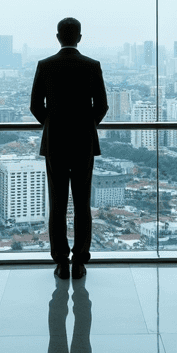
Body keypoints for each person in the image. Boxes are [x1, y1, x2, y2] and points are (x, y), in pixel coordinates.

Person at [30, 17, 108, 279]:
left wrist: (52, 124)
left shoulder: (45, 65)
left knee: (58, 203)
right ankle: (79, 262)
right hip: (83, 142)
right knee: (83, 203)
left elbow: (35, 106)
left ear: (58, 36)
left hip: (55, 143)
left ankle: (61, 262)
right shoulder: (92, 65)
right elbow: (102, 106)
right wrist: (86, 125)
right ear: (80, 37)